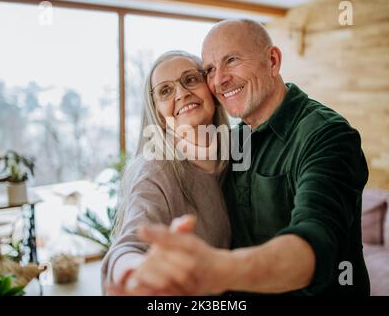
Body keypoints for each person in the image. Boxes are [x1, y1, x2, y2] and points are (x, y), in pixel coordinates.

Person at [120, 19, 370, 296]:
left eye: (232, 60)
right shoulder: (231, 142)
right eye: (211, 69)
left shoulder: (327, 135)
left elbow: (316, 240)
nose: (219, 80)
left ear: (273, 61)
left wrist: (221, 270)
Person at [101, 50, 231, 295]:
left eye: (190, 79)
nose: (182, 93)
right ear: (158, 115)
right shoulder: (155, 169)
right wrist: (135, 272)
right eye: (165, 90)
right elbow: (128, 246)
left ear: (211, 90)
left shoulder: (233, 155)